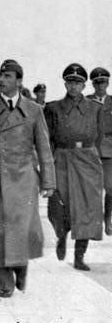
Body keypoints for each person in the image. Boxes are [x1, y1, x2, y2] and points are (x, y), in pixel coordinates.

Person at [0, 59, 55, 298]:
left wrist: (48, 182)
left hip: (25, 178)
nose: (1, 80)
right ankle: (5, 282)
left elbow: (44, 148)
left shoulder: (34, 110)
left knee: (21, 228)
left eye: (7, 76)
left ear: (19, 81)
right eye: (0, 75)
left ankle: (22, 266)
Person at [45, 63, 104, 269]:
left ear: (84, 85)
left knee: (88, 207)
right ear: (65, 83)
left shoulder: (96, 108)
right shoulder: (53, 108)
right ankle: (61, 234)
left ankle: (80, 255)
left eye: (78, 83)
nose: (74, 87)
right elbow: (48, 138)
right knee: (59, 203)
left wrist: (92, 156)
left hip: (87, 158)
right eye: (70, 82)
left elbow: (100, 137)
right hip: (62, 157)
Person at [86, 67, 112, 235]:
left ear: (108, 83)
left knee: (110, 187)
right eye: (97, 82)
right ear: (93, 84)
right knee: (91, 189)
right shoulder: (86, 101)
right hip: (91, 151)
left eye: (103, 82)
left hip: (110, 151)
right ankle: (94, 220)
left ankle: (108, 218)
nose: (100, 86)